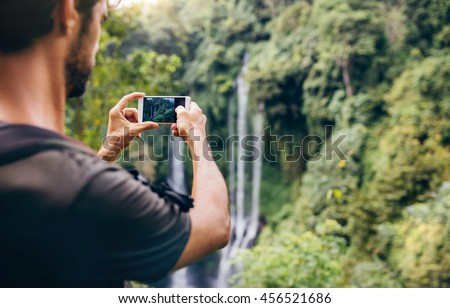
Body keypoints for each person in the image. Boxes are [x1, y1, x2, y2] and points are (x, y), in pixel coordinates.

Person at [0, 0, 230, 287]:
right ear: (67, 11)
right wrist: (197, 138)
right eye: (101, 19)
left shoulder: (51, 178)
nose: (96, 43)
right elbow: (213, 226)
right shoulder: (85, 190)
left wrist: (106, 153)